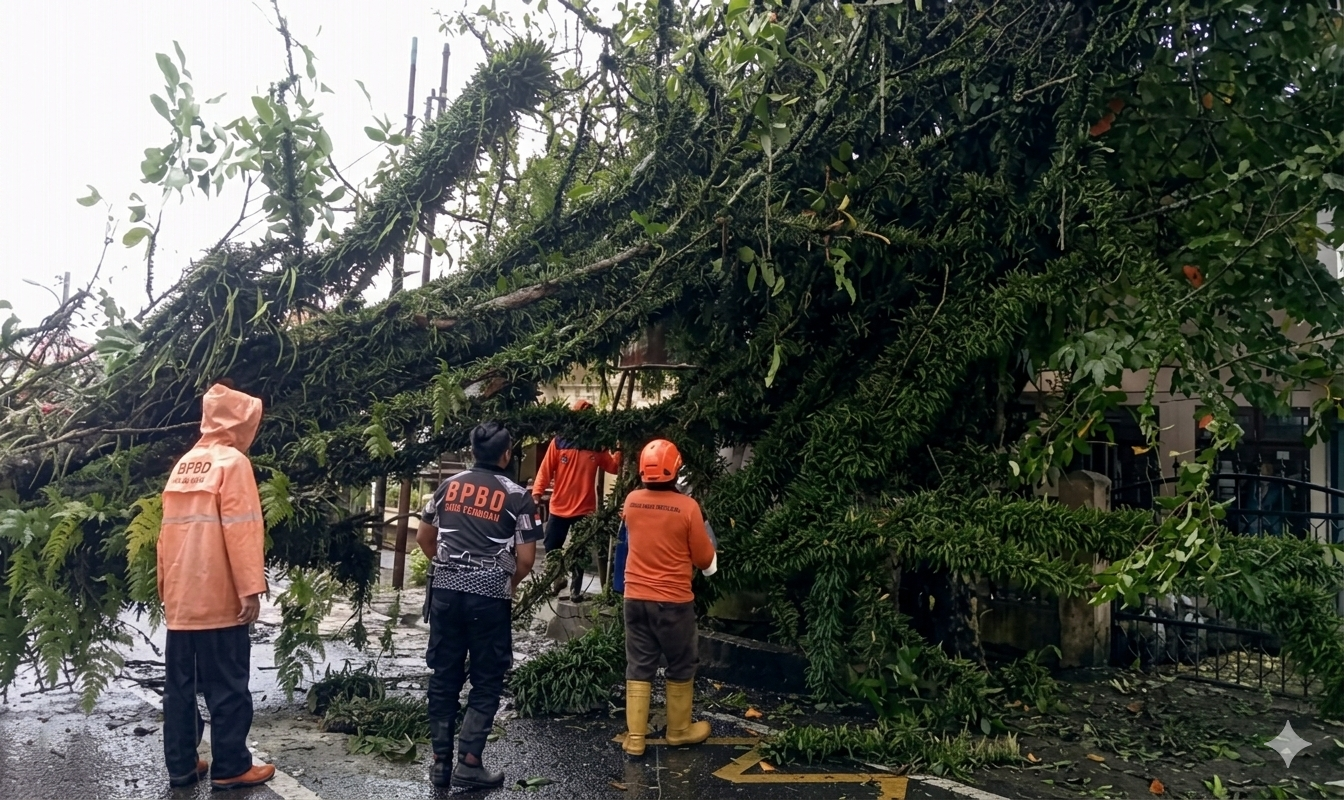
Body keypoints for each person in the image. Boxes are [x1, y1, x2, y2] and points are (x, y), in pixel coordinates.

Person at [157, 381, 275, 790]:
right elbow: (242, 532)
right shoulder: (232, 463)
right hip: (218, 593)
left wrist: (164, 585)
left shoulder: (185, 464)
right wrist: (250, 588)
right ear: (240, 422)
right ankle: (231, 766)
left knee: (180, 688)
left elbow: (165, 534)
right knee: (227, 685)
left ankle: (182, 765)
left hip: (182, 597)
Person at [416, 421, 542, 789]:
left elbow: (426, 537)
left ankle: (440, 764)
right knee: (487, 679)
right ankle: (470, 764)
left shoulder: (447, 487)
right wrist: (506, 583)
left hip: (445, 593)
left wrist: (447, 570)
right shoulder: (518, 496)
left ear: (473, 451)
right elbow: (526, 559)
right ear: (506, 454)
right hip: (489, 599)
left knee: (444, 676)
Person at [619, 439, 718, 757]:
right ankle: (678, 731)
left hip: (634, 598)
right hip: (673, 602)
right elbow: (704, 560)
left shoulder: (631, 502)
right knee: (681, 662)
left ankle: (635, 738)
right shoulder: (688, 508)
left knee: (639, 664)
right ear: (676, 470)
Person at [532, 398, 621, 602]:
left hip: (584, 508)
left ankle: (575, 591)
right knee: (551, 543)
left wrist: (619, 450)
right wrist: (537, 492)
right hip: (559, 506)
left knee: (579, 550)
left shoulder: (596, 444)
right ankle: (558, 578)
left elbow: (613, 467)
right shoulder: (560, 441)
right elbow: (546, 469)